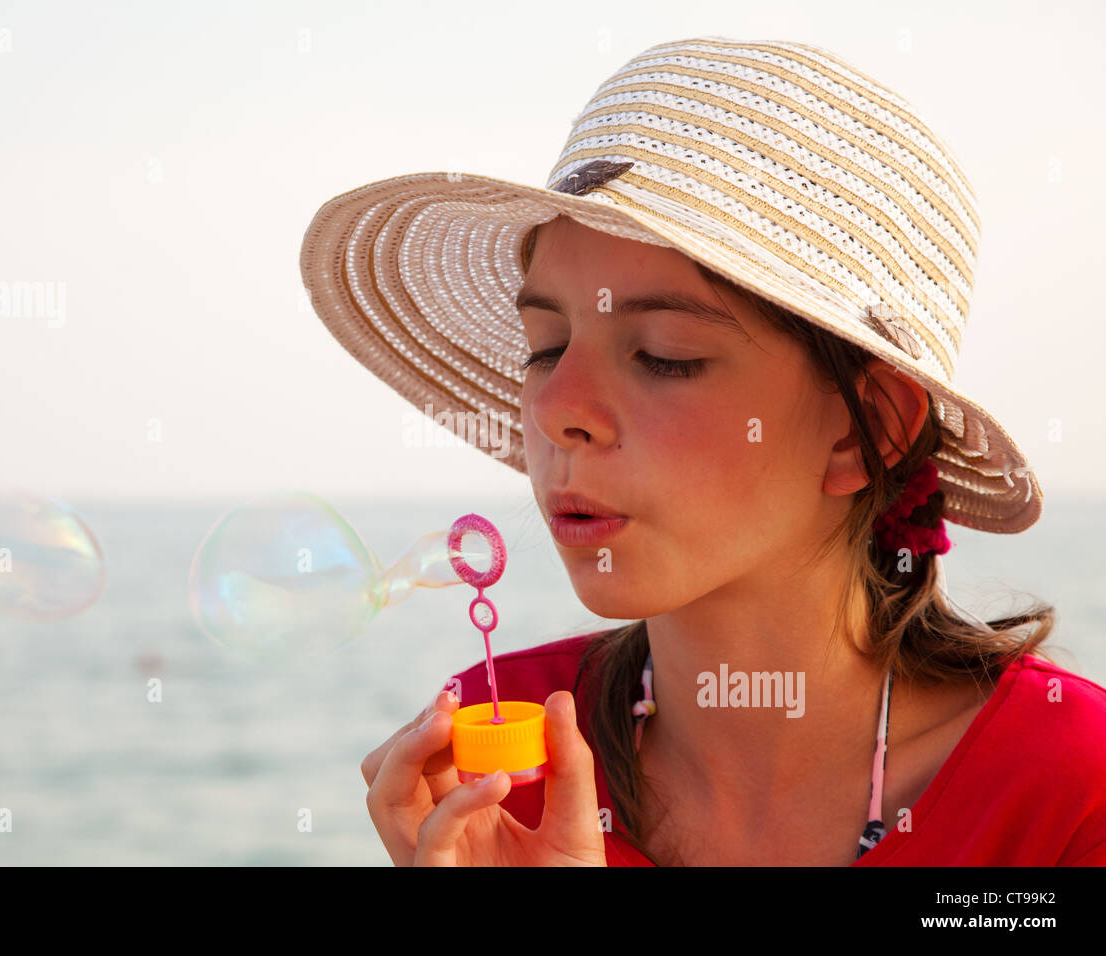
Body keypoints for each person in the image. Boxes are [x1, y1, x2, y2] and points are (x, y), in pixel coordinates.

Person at [301, 37, 1106, 865]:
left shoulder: (1074, 789)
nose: (557, 411)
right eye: (546, 346)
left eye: (663, 355)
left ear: (867, 429)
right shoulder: (500, 756)